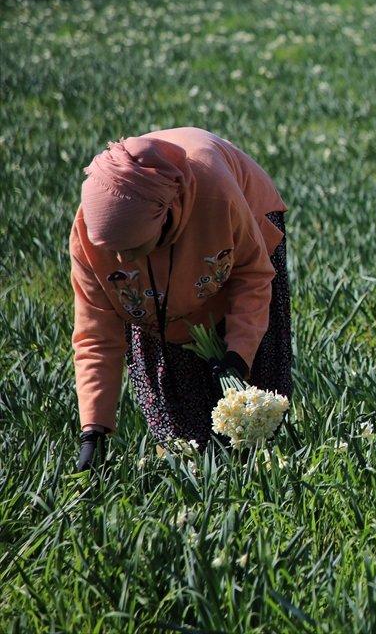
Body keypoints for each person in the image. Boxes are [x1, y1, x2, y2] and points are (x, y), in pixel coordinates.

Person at [70, 127, 291, 469]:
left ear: (163, 219)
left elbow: (252, 277)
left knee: (254, 404)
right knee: (185, 432)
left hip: (239, 223)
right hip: (164, 286)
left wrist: (237, 356)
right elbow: (96, 333)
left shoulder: (217, 198)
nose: (120, 261)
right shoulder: (92, 236)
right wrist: (93, 430)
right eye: (111, 250)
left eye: (130, 248)